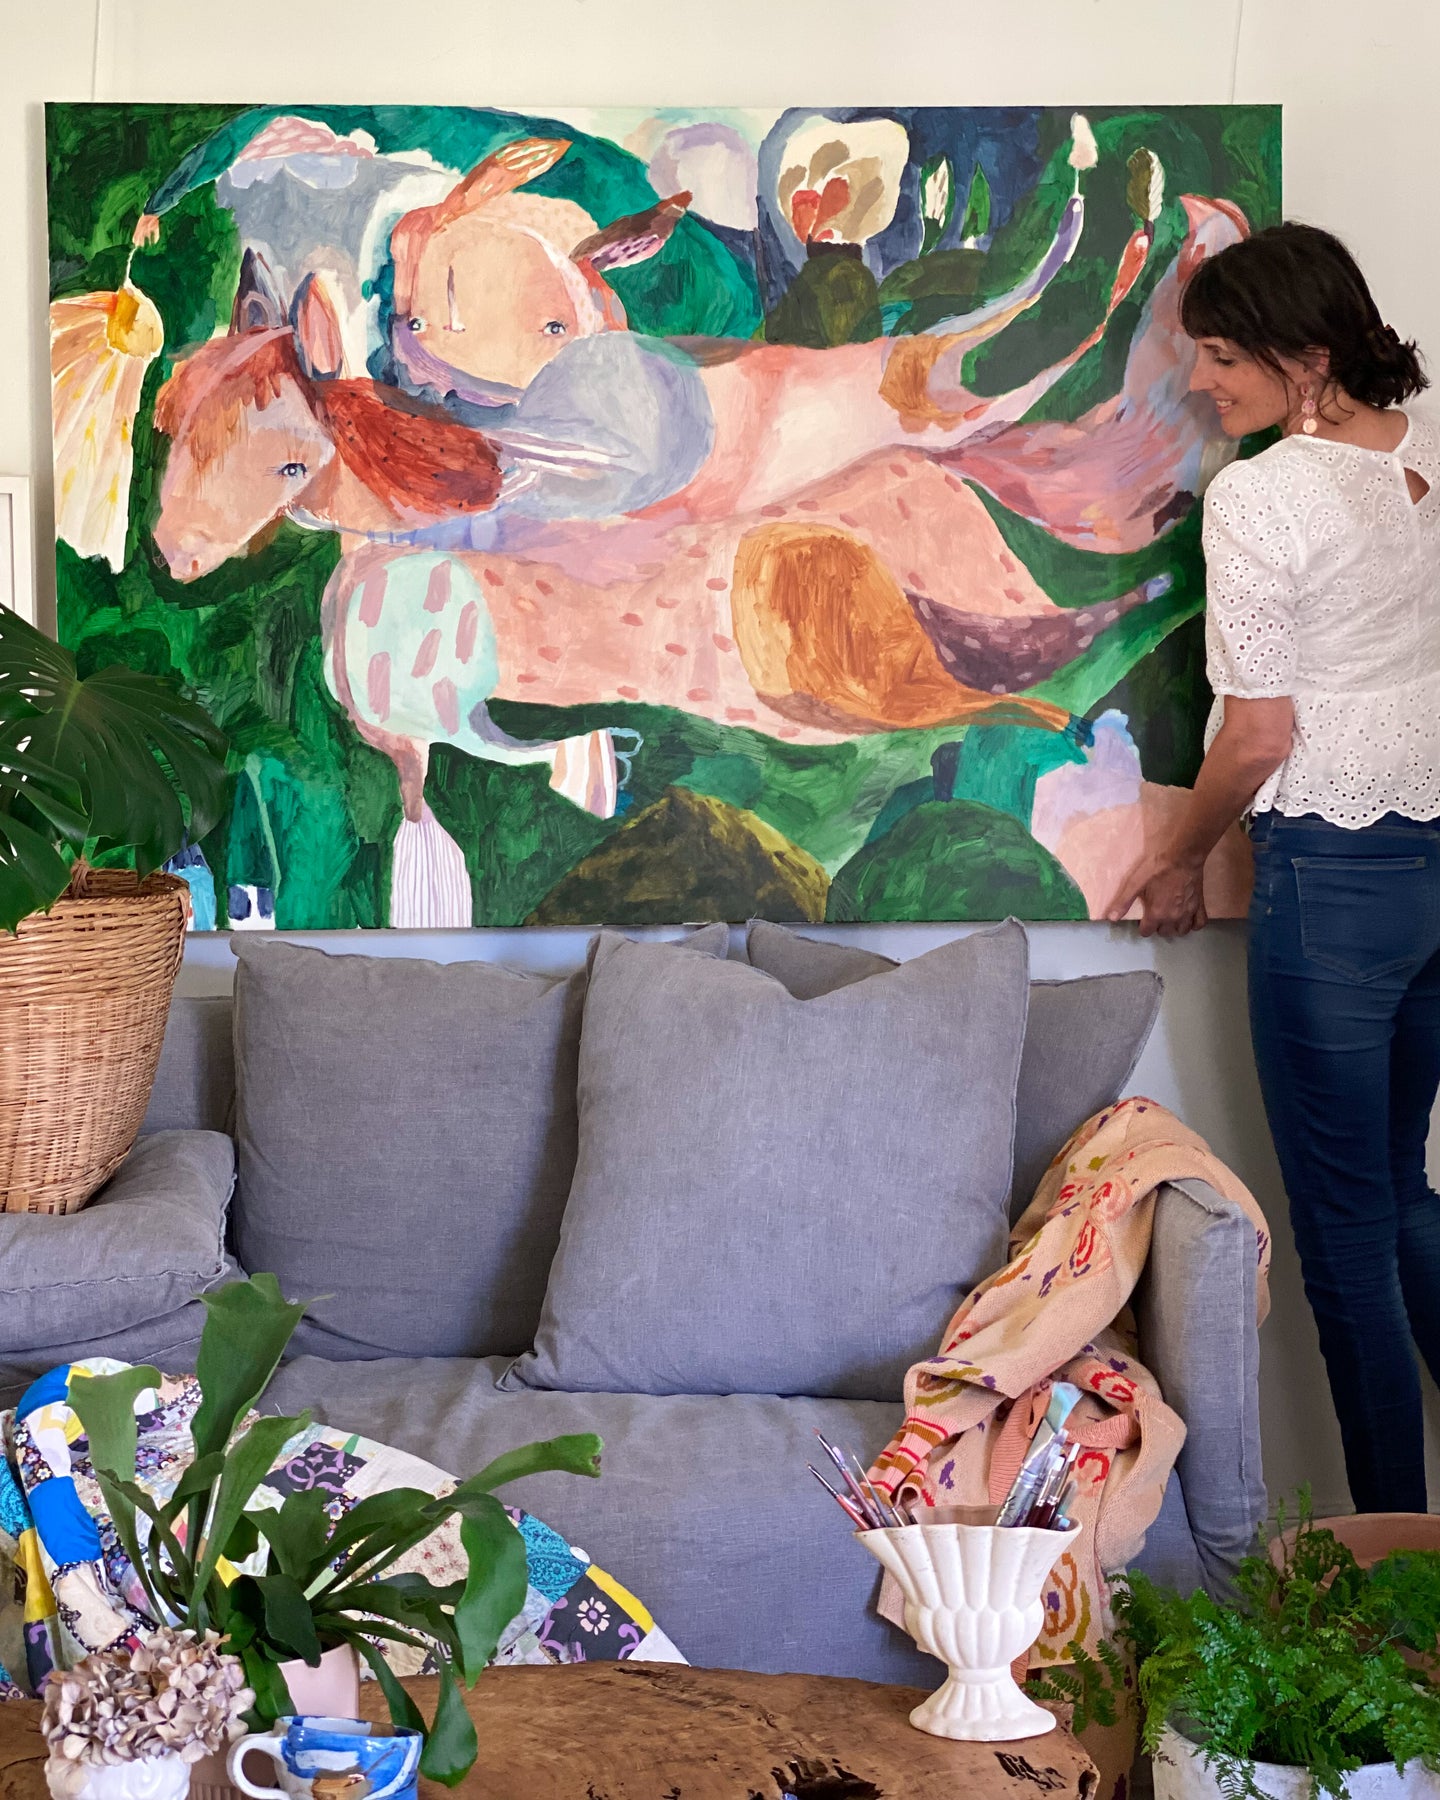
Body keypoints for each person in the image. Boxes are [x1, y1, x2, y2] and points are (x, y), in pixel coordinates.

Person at [1110, 222, 1440, 1511]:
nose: (1201, 382)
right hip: (1430, 874)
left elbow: (1257, 734)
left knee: (1347, 1239)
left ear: (1305, 358)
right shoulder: (1424, 461)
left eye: (1222, 356)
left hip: (1333, 888)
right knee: (1403, 1197)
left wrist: (1177, 861)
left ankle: (1387, 1574)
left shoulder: (1261, 496)